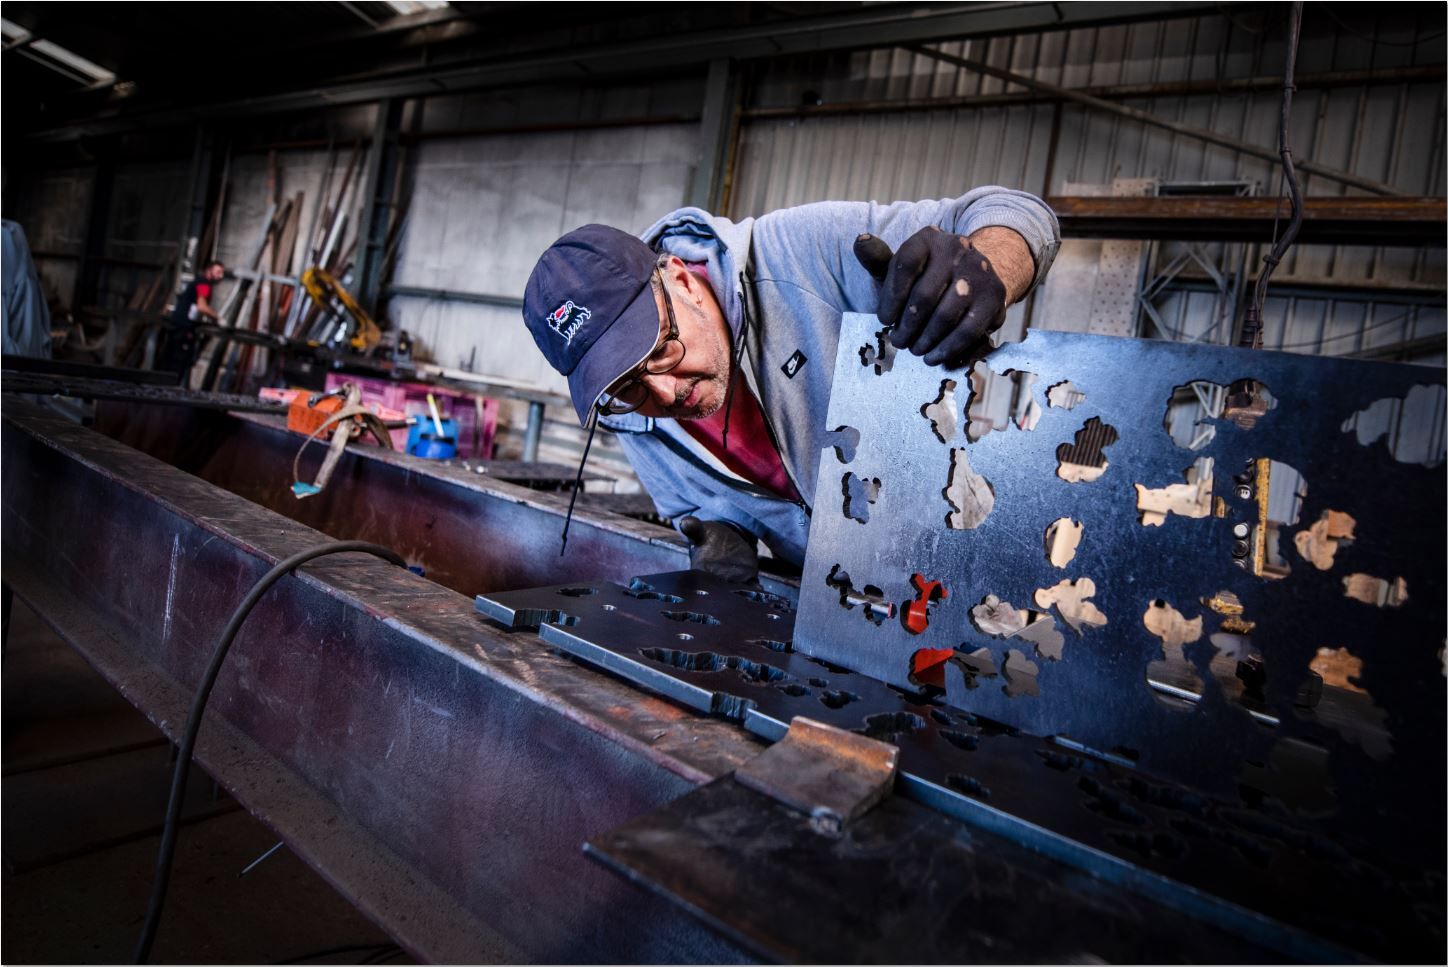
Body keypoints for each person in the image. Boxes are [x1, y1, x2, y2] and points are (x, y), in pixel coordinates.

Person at [522, 189, 1060, 583]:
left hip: (972, 555)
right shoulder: (627, 413)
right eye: (629, 385)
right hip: (846, 605)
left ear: (682, 280)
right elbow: (691, 500)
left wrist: (988, 268)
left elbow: (1020, 212)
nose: (663, 395)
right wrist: (715, 526)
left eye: (659, 349)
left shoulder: (800, 254)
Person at [158, 259, 225, 381]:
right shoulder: (204, 284)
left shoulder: (199, 281)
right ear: (209, 271)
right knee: (179, 358)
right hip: (183, 325)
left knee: (171, 354)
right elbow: (202, 306)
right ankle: (171, 383)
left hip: (178, 322)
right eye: (218, 272)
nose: (221, 276)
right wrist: (218, 318)